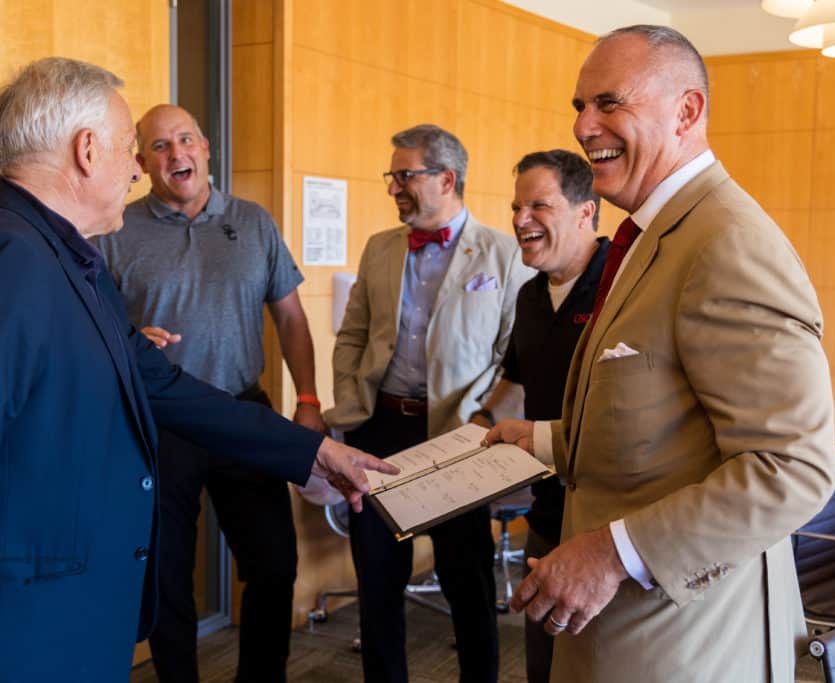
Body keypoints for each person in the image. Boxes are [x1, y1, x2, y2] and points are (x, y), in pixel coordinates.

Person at [0, 57, 396, 683]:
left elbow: (160, 383)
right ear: (87, 150)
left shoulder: (63, 256)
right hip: (10, 631)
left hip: (58, 619)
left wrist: (315, 452)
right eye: (132, 149)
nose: (136, 169)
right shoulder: (2, 259)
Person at [485, 25, 835, 682]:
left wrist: (612, 554)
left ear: (686, 112)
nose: (585, 126)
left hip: (687, 645)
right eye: (579, 106)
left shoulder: (726, 243)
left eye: (609, 103)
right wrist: (535, 439)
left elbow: (791, 466)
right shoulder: (648, 236)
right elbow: (650, 424)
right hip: (629, 635)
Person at [94, 104, 323, 683]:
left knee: (274, 566)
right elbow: (91, 326)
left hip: (243, 412)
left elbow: (291, 317)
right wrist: (128, 341)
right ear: (142, 162)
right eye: (160, 147)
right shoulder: (117, 229)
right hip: (159, 421)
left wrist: (309, 401)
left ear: (206, 147)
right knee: (166, 574)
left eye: (185, 140)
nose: (177, 155)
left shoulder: (254, 221)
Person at [325, 124, 533, 683]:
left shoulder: (504, 254)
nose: (394, 186)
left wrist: (486, 423)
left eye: (405, 174)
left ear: (446, 178)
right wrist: (349, 402)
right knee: (377, 581)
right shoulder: (379, 248)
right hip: (380, 430)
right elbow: (353, 336)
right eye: (392, 175)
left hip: (458, 438)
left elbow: (518, 354)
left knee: (467, 581)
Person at [470, 149, 608, 683]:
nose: (520, 221)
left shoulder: (623, 288)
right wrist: (471, 435)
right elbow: (516, 383)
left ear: (585, 212)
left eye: (539, 206)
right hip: (547, 513)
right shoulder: (529, 296)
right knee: (542, 668)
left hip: (608, 524)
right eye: (516, 206)